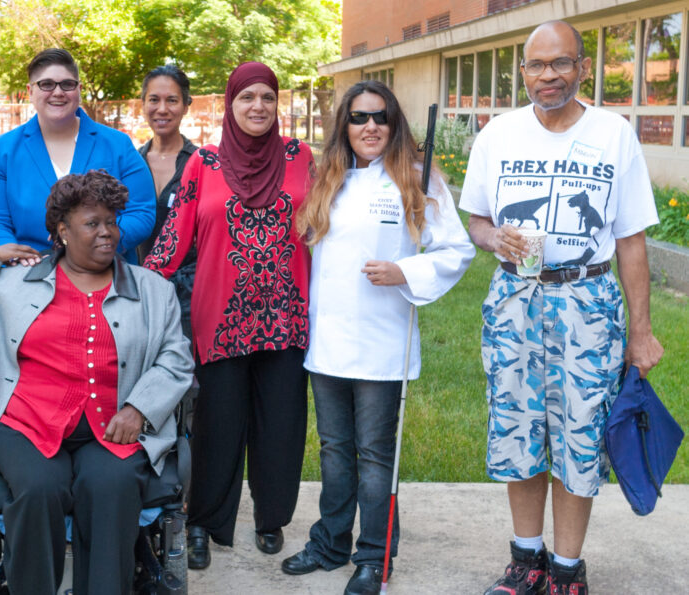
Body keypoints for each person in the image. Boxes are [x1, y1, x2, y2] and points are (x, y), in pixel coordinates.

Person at [459, 21, 664, 595]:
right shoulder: (497, 135)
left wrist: (641, 332)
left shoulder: (613, 134)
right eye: (536, 65)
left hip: (588, 301)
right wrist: (493, 238)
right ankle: (526, 560)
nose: (547, 75)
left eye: (560, 63)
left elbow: (631, 239)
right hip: (515, 298)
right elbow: (476, 220)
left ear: (582, 68)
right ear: (522, 71)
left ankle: (568, 570)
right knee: (518, 429)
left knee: (579, 434)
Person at [0, 170, 193, 594]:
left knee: (110, 486)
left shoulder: (153, 290)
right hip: (24, 419)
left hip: (115, 421)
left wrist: (139, 408)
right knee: (40, 487)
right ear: (62, 231)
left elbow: (175, 358)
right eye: (92, 224)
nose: (108, 233)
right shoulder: (13, 284)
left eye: (111, 222)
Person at [281, 80, 474, 594]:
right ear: (344, 125)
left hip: (382, 343)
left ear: (395, 124)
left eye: (381, 117)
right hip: (328, 342)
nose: (370, 127)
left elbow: (455, 251)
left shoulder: (417, 180)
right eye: (360, 117)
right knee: (334, 449)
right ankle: (330, 542)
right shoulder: (330, 179)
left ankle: (374, 555)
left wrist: (405, 271)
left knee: (374, 454)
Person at [145, 61, 315, 569]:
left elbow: (334, 221)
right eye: (247, 98)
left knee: (281, 423)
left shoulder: (302, 157)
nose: (258, 106)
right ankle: (205, 523)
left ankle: (271, 519)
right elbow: (174, 237)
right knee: (217, 427)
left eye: (267, 97)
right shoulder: (205, 164)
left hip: (286, 316)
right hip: (219, 320)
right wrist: (130, 285)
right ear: (229, 104)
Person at [0, 48, 155, 265]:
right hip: (28, 274)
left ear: (79, 89)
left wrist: (97, 242)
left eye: (67, 84)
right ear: (30, 91)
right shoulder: (1, 151)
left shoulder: (118, 144)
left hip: (106, 272)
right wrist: (14, 255)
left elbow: (141, 211)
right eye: (46, 84)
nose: (58, 92)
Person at [136, 64, 199, 334]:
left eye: (172, 100)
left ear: (186, 105)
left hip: (190, 296)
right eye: (154, 99)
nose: (162, 109)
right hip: (137, 290)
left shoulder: (203, 164)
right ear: (143, 104)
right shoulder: (130, 162)